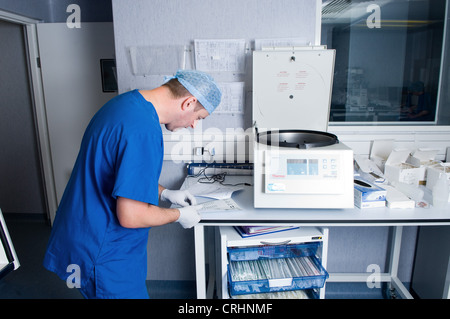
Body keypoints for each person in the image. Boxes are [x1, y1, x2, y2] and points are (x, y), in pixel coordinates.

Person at [43, 70, 222, 299]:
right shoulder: (143, 131)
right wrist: (179, 215)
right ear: (189, 102)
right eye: (199, 118)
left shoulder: (125, 104)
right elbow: (131, 216)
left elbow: (119, 174)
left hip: (83, 233)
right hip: (104, 251)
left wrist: (165, 193)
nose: (194, 125)